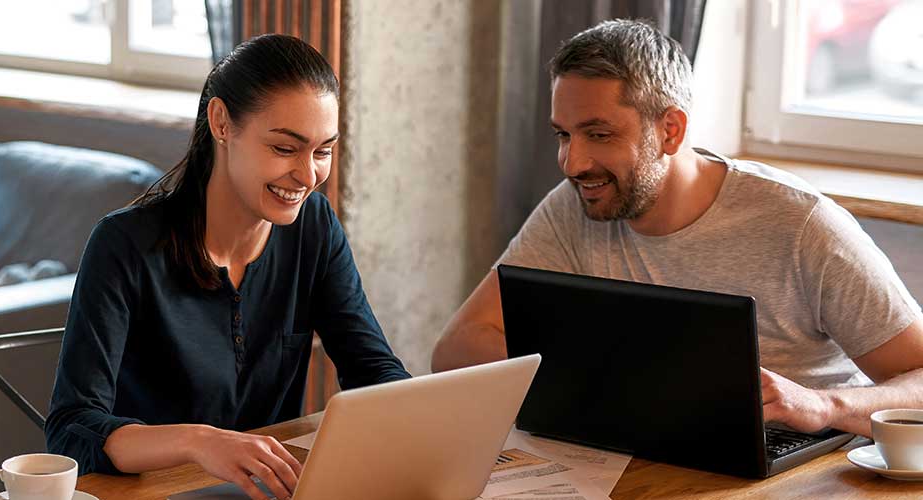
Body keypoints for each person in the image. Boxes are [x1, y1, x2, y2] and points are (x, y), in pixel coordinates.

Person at [432, 19, 923, 438]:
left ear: (671, 130)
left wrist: (821, 405)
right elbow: (457, 349)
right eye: (563, 134)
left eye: (599, 135)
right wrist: (617, 387)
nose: (571, 162)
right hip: (639, 458)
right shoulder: (575, 205)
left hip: (786, 474)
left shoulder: (802, 225)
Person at [45, 34, 411, 500]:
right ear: (222, 122)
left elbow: (372, 369)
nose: (308, 175)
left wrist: (421, 424)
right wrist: (199, 442)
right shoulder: (123, 245)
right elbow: (72, 428)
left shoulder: (314, 229)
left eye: (322, 151)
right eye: (284, 149)